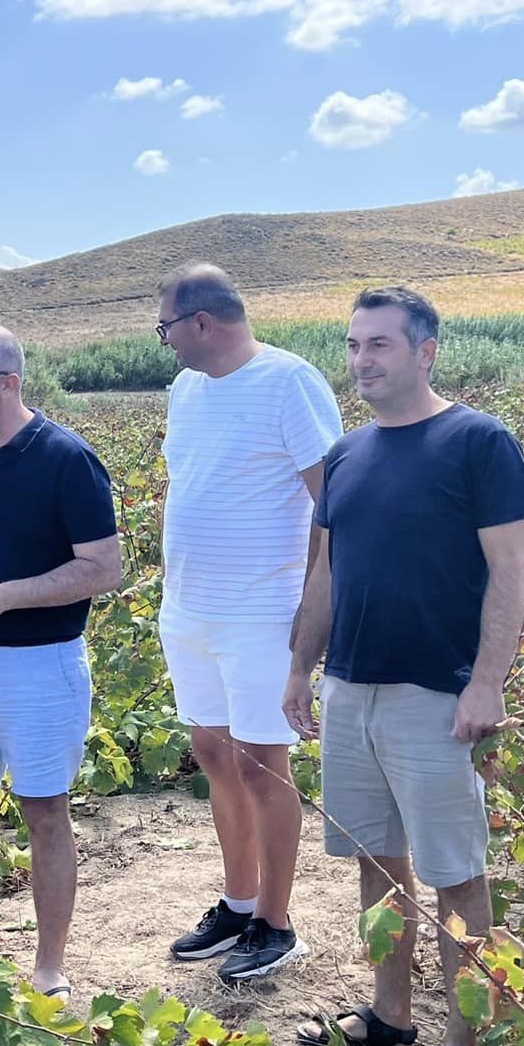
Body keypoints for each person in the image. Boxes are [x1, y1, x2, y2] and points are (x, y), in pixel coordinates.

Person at [284, 285, 524, 1046]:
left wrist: (487, 680)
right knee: (376, 860)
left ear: (426, 351)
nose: (361, 361)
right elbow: (324, 573)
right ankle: (392, 1020)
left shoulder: (477, 442)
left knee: (456, 874)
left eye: (380, 346)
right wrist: (300, 668)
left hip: (436, 692)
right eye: (354, 345)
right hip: (351, 686)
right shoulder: (348, 453)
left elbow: (512, 570)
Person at [155, 263, 342, 982]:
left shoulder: (289, 382)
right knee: (212, 751)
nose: (164, 341)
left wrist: (310, 609)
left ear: (202, 321)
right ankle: (237, 901)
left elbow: (332, 504)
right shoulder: (186, 387)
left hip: (263, 613)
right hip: (192, 609)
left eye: (166, 325)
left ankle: (275, 920)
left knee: (264, 765)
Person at [0, 325, 120, 1001]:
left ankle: (48, 967)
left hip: (41, 664)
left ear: (8, 384)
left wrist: (7, 598)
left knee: (44, 811)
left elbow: (104, 569)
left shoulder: (68, 460)